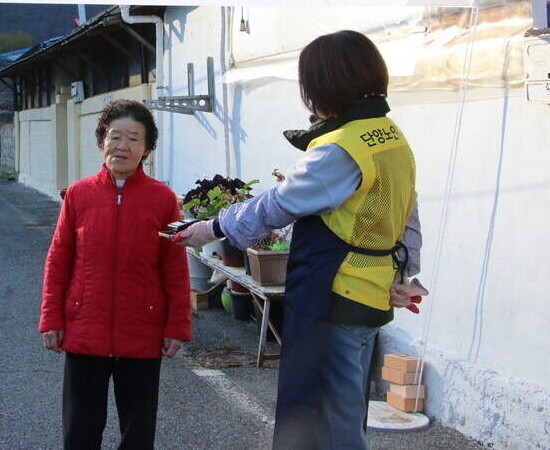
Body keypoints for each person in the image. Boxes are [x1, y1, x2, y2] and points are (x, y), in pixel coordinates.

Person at [174, 30, 423, 450]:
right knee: (346, 411)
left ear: (324, 84)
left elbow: (281, 202)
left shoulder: (341, 147)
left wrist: (215, 227)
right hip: (372, 291)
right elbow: (408, 210)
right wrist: (407, 271)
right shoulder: (389, 134)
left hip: (334, 296)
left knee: (326, 420)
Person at [40, 99, 191, 450]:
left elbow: (174, 268)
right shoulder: (79, 195)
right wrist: (51, 318)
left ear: (147, 148)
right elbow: (58, 259)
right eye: (115, 136)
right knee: (79, 433)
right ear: (101, 141)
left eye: (134, 138)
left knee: (138, 435)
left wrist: (177, 326)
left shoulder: (163, 199)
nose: (122, 145)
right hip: (85, 327)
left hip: (142, 329)